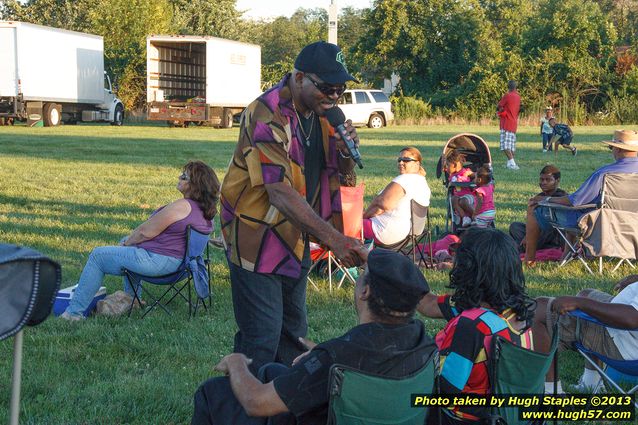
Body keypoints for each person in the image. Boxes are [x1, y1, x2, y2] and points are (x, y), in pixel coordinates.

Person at [219, 41, 368, 373]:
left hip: (296, 233)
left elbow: (341, 177)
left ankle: (282, 407)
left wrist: (345, 154)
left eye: (340, 90)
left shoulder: (325, 115)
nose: (334, 96)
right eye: (327, 87)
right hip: (255, 235)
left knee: (294, 336)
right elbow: (278, 192)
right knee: (261, 337)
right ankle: (243, 406)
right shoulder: (266, 112)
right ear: (299, 77)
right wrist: (335, 240)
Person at [191, 248, 437, 425]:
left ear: (365, 291)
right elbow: (374, 366)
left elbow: (257, 403)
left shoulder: (335, 359)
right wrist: (320, 354)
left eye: (362, 272)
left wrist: (236, 363)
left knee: (212, 392)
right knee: (272, 371)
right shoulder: (425, 345)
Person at [60, 161, 219, 321]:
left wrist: (128, 243)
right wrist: (129, 242)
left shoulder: (182, 206)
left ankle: (73, 314)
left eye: (184, 177)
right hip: (181, 265)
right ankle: (132, 299)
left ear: (195, 185)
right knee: (128, 244)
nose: (179, 177)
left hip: (161, 263)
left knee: (98, 255)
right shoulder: (204, 210)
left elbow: (145, 232)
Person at [418, 228, 535, 424]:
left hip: (462, 418)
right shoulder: (521, 315)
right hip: (506, 415)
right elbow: (429, 304)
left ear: (467, 270)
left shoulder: (471, 326)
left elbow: (446, 391)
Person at [525, 130, 638, 265]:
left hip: (602, 225)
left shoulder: (604, 174)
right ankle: (566, 254)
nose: (611, 150)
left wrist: (546, 200)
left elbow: (575, 201)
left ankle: (529, 260)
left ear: (618, 149)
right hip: (633, 224)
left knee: (534, 208)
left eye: (611, 147)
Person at [532, 274, 638, 393]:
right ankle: (591, 382)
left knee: (540, 310)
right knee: (587, 294)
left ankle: (551, 392)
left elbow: (632, 318)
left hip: (622, 345)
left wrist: (580, 303)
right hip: (629, 339)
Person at [363, 146, 431, 245]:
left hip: (386, 231)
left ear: (417, 164)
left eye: (406, 160)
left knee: (343, 224)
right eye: (399, 160)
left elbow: (382, 205)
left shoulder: (405, 179)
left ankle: (346, 258)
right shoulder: (422, 182)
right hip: (409, 235)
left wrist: (364, 217)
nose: (401, 163)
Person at [509, 165, 567, 256]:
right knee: (515, 226)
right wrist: (528, 234)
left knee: (547, 228)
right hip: (538, 233)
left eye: (548, 180)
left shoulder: (562, 196)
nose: (543, 182)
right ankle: (528, 245)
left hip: (555, 235)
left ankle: (522, 247)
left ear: (557, 181)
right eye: (541, 179)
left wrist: (529, 236)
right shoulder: (539, 197)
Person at [445, 150, 475, 228]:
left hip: (468, 196)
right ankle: (465, 217)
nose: (446, 168)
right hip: (458, 197)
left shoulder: (466, 171)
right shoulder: (452, 176)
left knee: (463, 201)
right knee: (453, 199)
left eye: (448, 165)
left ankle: (476, 216)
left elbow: (478, 175)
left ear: (454, 165)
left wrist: (470, 174)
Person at [497, 80, 521, 170]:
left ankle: (513, 163)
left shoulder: (507, 95)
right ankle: (509, 164)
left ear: (508, 86)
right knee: (511, 145)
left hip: (506, 122)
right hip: (514, 123)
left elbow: (499, 106)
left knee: (505, 146)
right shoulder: (518, 96)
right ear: (516, 87)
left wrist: (501, 111)